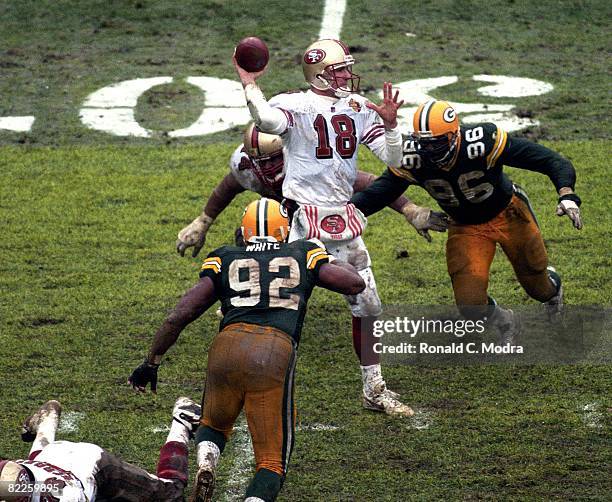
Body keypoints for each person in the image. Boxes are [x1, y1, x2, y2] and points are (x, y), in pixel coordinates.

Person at [232, 38, 437, 416]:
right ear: (319, 74)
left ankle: (374, 389)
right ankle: (254, 382)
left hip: (342, 218)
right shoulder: (294, 104)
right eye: (339, 69)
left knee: (369, 306)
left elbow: (393, 159)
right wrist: (250, 82)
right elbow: (267, 121)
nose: (347, 74)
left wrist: (391, 126)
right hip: (301, 222)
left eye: (346, 67)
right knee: (281, 308)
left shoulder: (359, 107)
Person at [129, 198, 366, 502]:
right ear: (285, 231)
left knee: (214, 423)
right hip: (272, 351)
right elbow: (353, 284)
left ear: (244, 231)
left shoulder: (226, 257)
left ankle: (206, 462)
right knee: (271, 462)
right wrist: (326, 257)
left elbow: (179, 316)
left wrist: (151, 362)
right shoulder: (303, 252)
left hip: (226, 346)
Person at [352, 99, 583, 339]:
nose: (430, 150)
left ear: (454, 135)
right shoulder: (411, 156)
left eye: (437, 143)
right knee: (470, 305)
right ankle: (504, 319)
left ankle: (553, 290)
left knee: (538, 287)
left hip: (509, 213)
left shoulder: (481, 141)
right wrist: (340, 215)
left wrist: (567, 194)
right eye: (425, 144)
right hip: (465, 226)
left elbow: (549, 160)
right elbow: (378, 193)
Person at [175, 122, 447, 258]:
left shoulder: (313, 162)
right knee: (253, 231)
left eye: (274, 159)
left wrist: (409, 209)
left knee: (323, 254)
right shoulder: (245, 166)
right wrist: (203, 221)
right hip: (288, 211)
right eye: (262, 161)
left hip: (321, 209)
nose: (268, 168)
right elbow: (230, 185)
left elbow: (368, 181)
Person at [0, 397, 201, 501]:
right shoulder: (11, 480)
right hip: (47, 459)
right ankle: (47, 418)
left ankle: (182, 419)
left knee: (171, 494)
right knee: (36, 462)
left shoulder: (65, 497)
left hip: (94, 465)